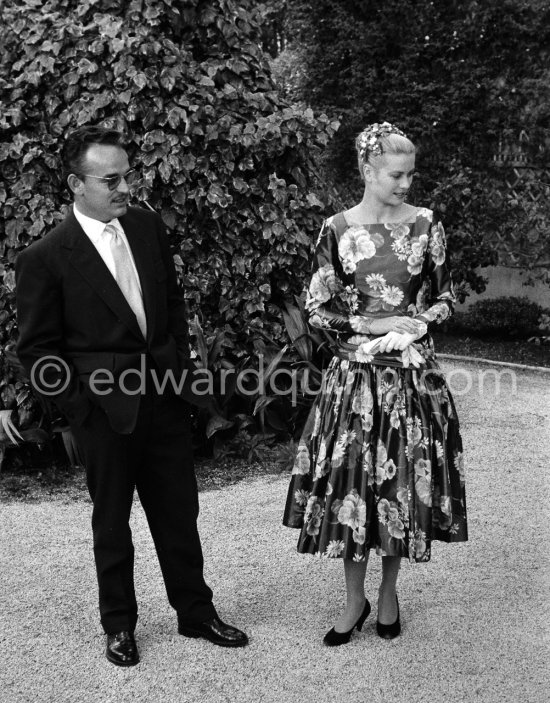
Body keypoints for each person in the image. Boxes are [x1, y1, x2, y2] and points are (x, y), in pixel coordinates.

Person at [15, 125, 248, 666]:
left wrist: (178, 367)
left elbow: (171, 303)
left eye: (127, 175)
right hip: (103, 414)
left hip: (165, 398)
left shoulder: (145, 228)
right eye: (111, 179)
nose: (125, 187)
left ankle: (196, 612)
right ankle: (118, 624)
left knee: (178, 512)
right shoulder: (46, 257)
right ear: (76, 183)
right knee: (112, 521)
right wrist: (81, 410)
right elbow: (38, 352)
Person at [283, 122, 468, 645]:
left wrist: (418, 322)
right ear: (367, 171)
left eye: (411, 174)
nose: (407, 183)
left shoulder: (428, 226)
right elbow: (317, 309)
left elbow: (446, 298)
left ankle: (388, 595)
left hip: (412, 378)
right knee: (353, 488)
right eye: (396, 174)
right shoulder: (336, 229)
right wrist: (374, 325)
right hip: (355, 380)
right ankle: (353, 599)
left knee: (400, 487)